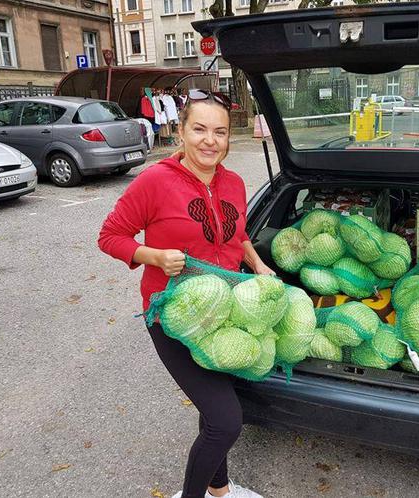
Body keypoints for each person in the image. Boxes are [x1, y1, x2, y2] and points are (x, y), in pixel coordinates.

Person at [98, 89, 273, 498]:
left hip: (224, 312)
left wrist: (258, 264)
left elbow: (238, 233)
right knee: (227, 419)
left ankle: (220, 488)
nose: (210, 141)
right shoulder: (155, 181)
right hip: (174, 318)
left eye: (220, 132)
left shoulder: (232, 182)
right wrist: (153, 255)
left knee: (214, 412)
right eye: (199, 129)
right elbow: (110, 236)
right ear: (180, 131)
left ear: (230, 137)